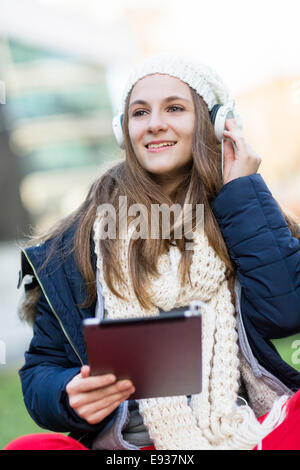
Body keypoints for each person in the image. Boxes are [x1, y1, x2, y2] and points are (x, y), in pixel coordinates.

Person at [5, 53, 300, 451]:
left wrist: (243, 191)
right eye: (139, 112)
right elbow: (42, 367)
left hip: (244, 430)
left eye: (175, 108)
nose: (155, 123)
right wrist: (65, 393)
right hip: (129, 446)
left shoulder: (248, 212)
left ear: (216, 121)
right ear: (124, 130)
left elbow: (286, 312)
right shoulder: (76, 242)